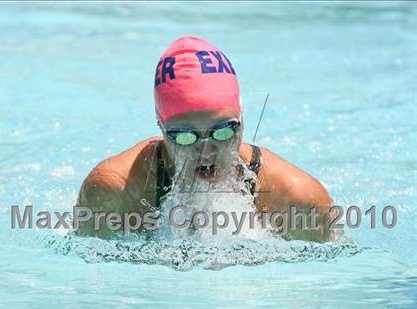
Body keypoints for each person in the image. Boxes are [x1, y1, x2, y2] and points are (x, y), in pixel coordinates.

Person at [76, 36, 333, 241]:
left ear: (242, 121)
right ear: (161, 127)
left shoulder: (299, 201)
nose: (206, 151)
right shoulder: (114, 192)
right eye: (186, 136)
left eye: (223, 131)